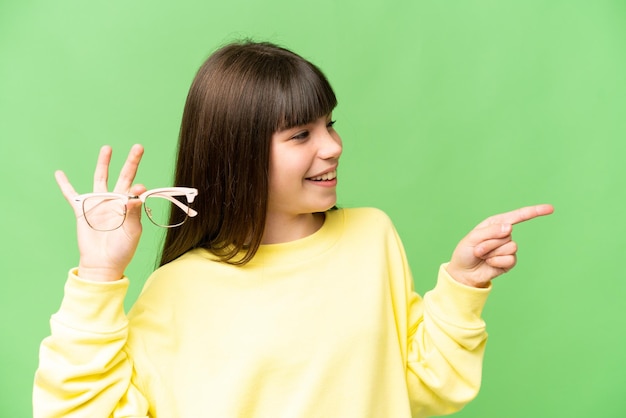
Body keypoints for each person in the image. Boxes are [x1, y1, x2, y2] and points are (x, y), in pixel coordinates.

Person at [33, 40, 554, 418]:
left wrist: (464, 284)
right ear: (237, 154)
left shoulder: (371, 237)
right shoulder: (179, 289)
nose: (331, 147)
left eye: (330, 123)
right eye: (301, 133)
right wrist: (99, 273)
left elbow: (419, 388)